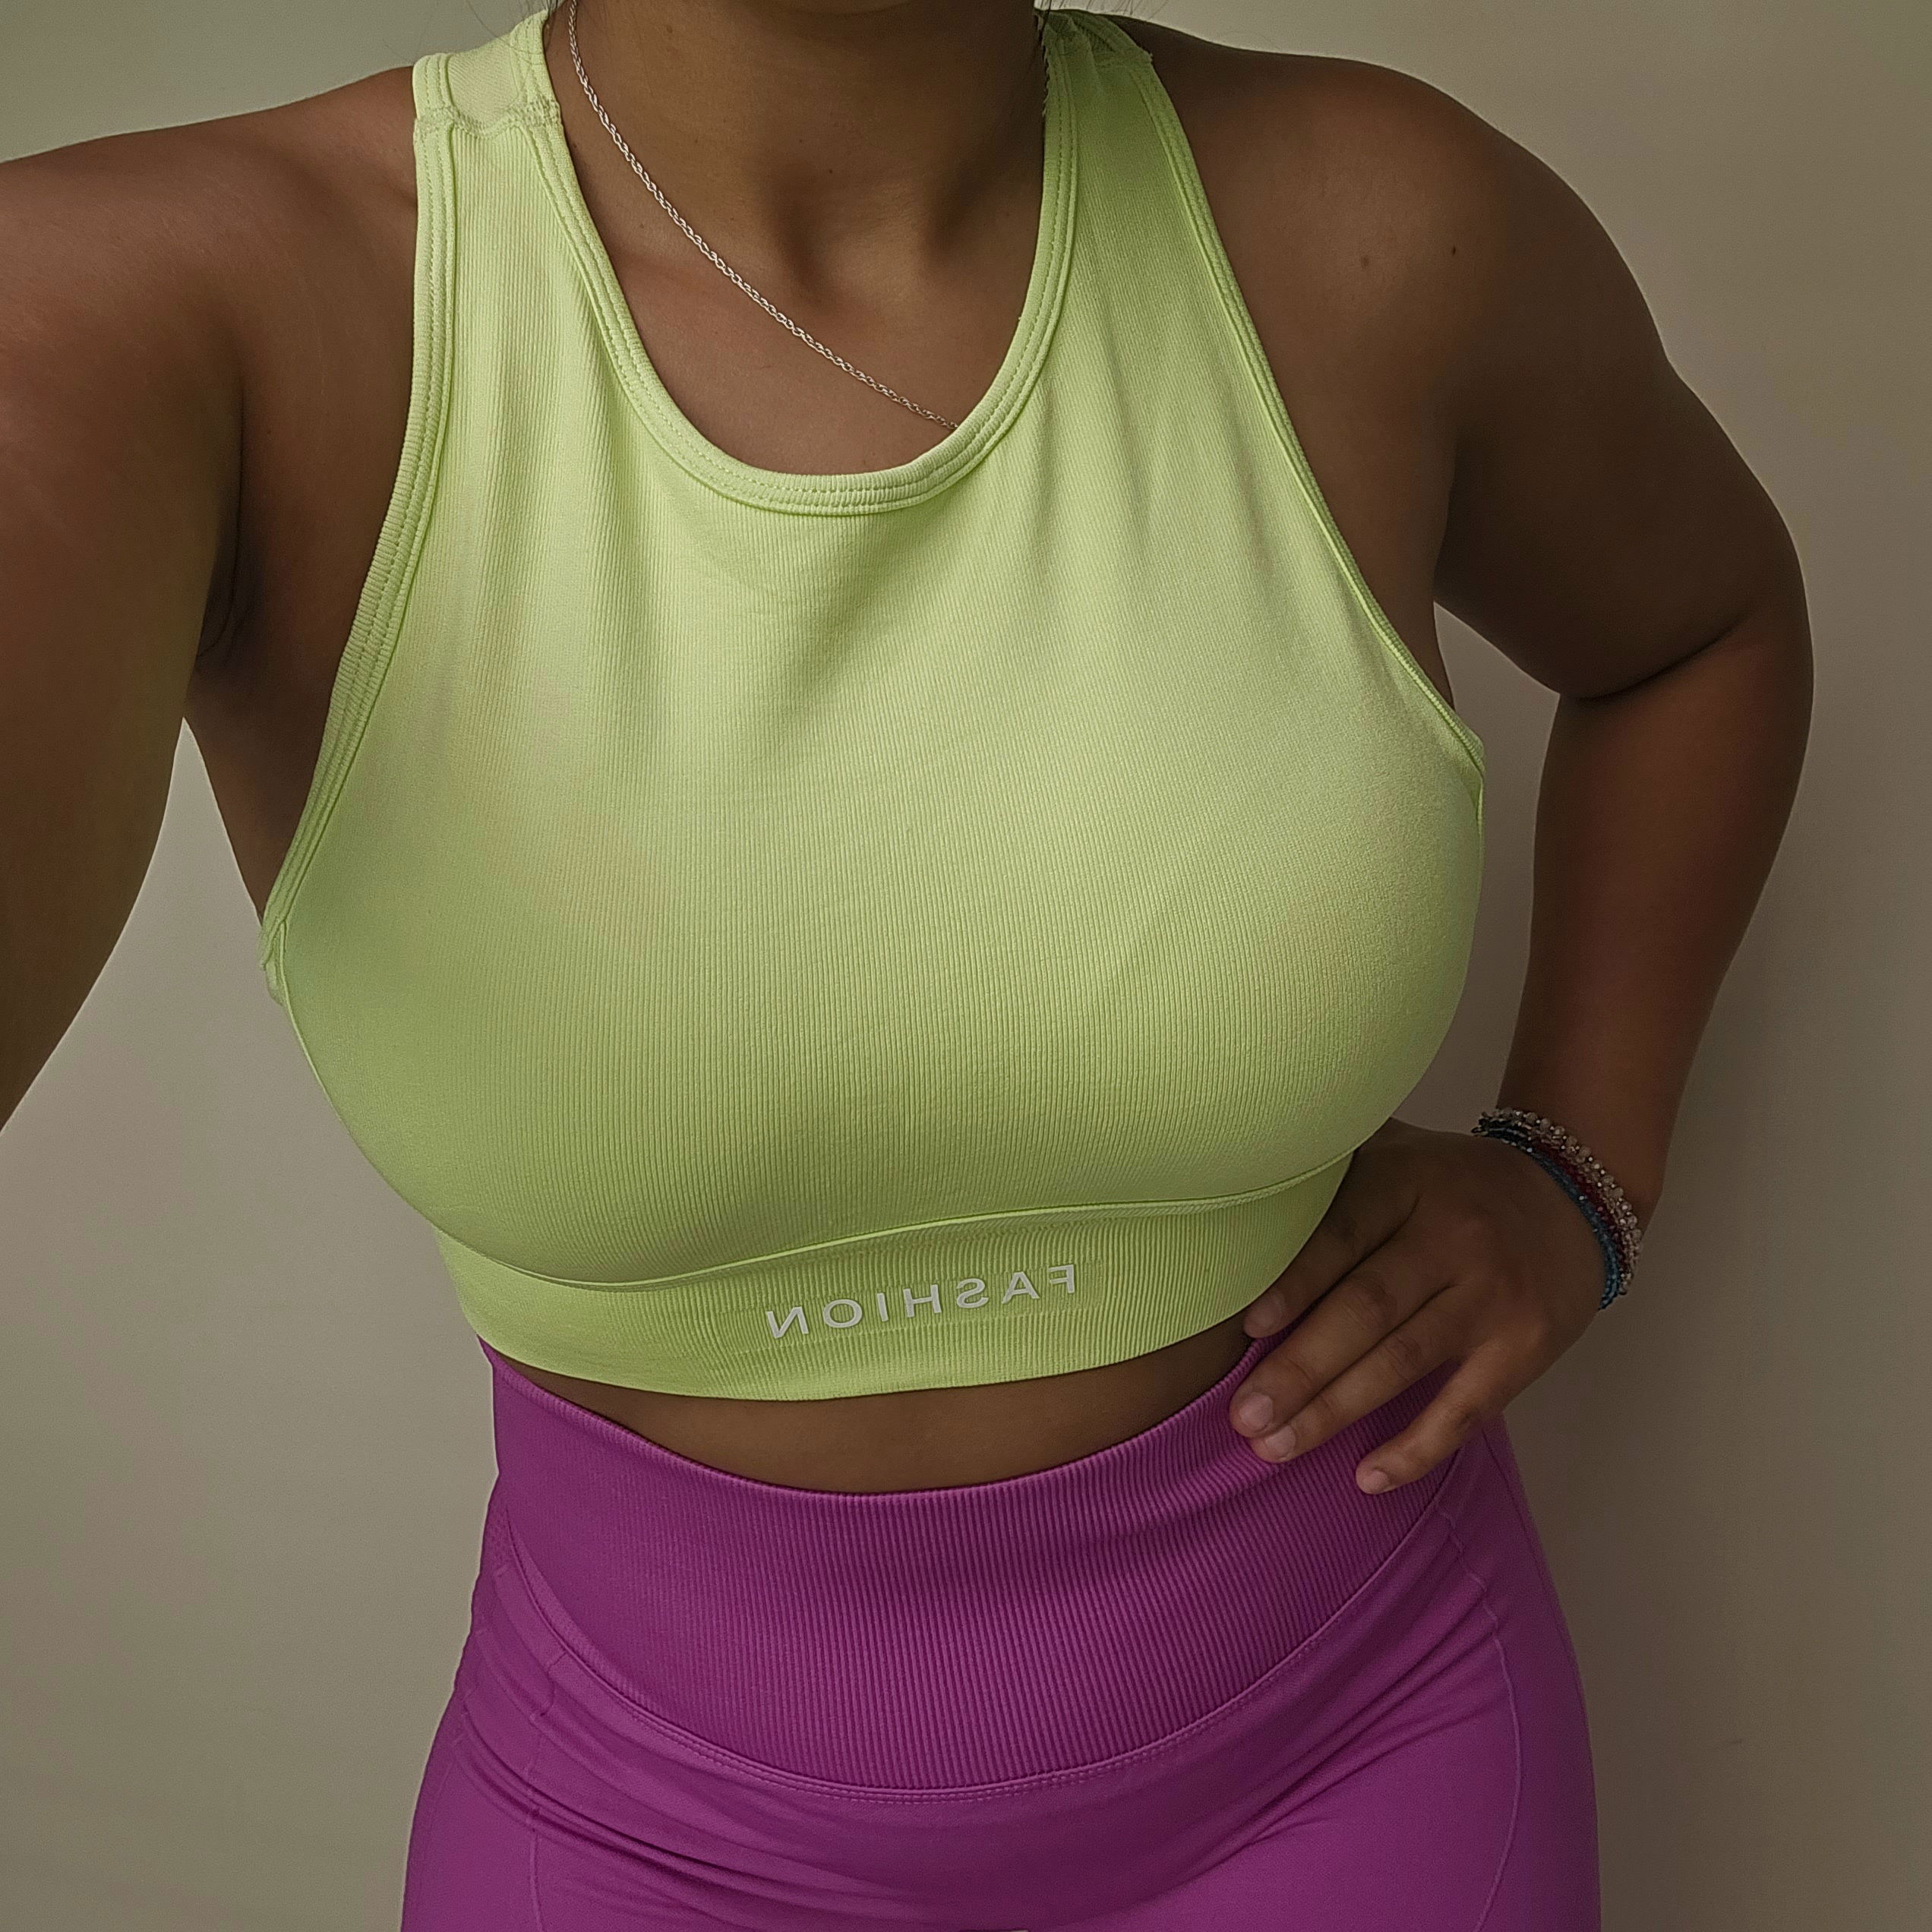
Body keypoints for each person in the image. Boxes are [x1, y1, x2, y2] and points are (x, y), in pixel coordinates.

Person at [0, 0, 1811, 1924]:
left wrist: (1574, 1173)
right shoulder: (173, 310)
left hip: (1358, 1759)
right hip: (635, 1827)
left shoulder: (1378, 227)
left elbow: (1697, 635)